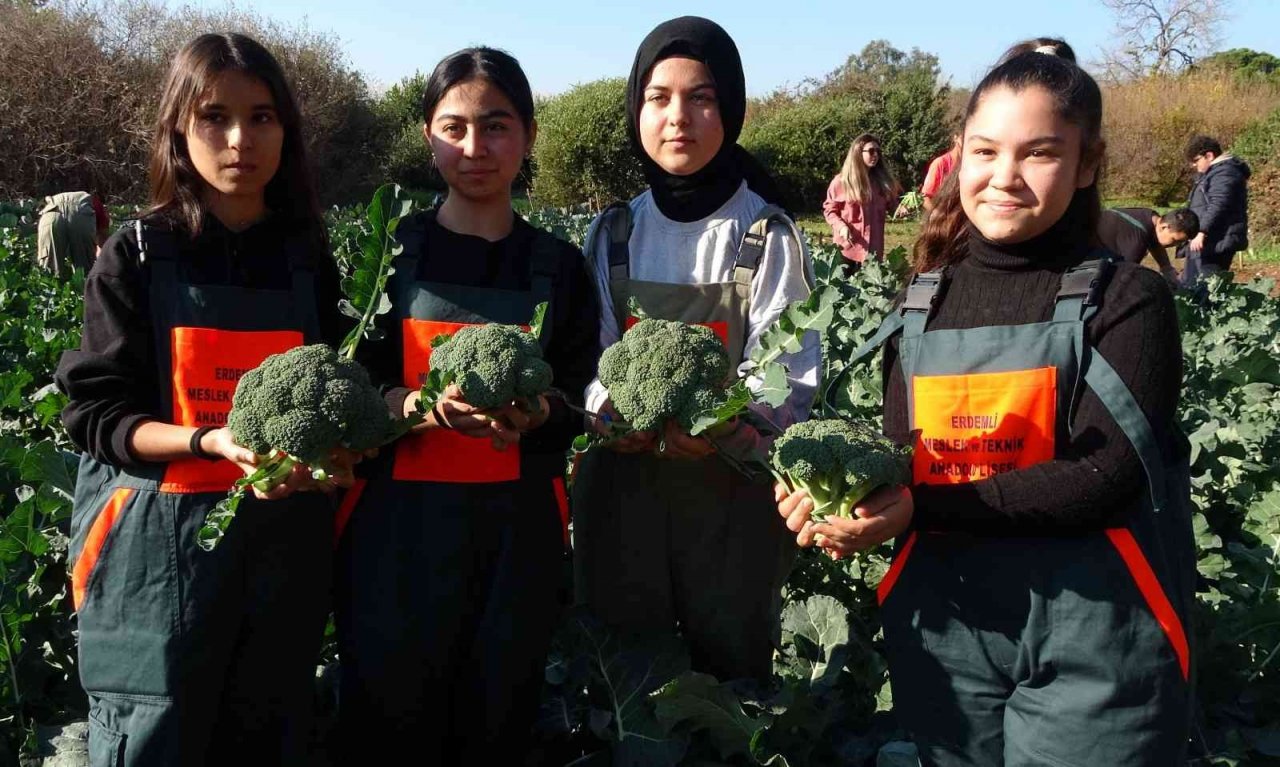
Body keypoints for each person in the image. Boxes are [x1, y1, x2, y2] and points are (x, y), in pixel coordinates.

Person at [778, 50, 1194, 765]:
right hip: (947, 629)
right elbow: (901, 458)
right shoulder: (921, 302)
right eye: (986, 150)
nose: (1004, 176)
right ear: (958, 156)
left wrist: (919, 507)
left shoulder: (1128, 299)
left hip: (1094, 636)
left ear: (1087, 164)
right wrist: (840, 501)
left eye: (1039, 154)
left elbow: (1103, 476)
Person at [55, 33, 353, 766]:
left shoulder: (307, 257)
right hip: (157, 565)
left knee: (269, 731)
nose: (238, 139)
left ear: (286, 129)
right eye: (213, 116)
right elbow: (95, 413)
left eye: (261, 117)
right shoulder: (138, 252)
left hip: (282, 557)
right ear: (179, 130)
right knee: (154, 739)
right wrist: (207, 441)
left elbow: (340, 389)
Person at [332, 47, 600, 763]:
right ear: (428, 135)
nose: (474, 149)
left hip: (519, 540)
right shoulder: (393, 252)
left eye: (496, 126)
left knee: (498, 719)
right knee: (388, 721)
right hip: (394, 539)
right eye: (453, 128)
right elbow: (351, 379)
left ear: (529, 136)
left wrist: (540, 411)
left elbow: (584, 398)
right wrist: (415, 405)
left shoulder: (558, 265)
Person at [572, 16, 819, 683]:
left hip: (731, 501)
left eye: (701, 97)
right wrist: (609, 413)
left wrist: (724, 424)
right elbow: (592, 357)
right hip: (625, 497)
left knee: (730, 684)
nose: (678, 116)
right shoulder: (616, 231)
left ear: (729, 108)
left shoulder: (766, 232)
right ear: (637, 108)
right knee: (626, 682)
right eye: (659, 97)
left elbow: (789, 372)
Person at [1179, 134, 1252, 288]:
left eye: (1195, 160)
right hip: (1207, 241)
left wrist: (1201, 231)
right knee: (1190, 288)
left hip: (1216, 242)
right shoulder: (1214, 173)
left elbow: (1218, 204)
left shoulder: (1225, 173)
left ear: (1209, 155)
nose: (1193, 165)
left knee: (1204, 291)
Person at [824, 133, 899, 268]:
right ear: (858, 153)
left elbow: (893, 207)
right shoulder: (841, 182)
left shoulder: (882, 183)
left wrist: (902, 209)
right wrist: (841, 227)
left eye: (878, 151)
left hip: (873, 251)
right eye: (871, 151)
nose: (875, 155)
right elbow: (830, 211)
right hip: (848, 249)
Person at [1098, 206, 1198, 283]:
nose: (1175, 245)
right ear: (1164, 227)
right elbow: (1122, 279)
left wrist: (1166, 268)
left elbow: (1154, 241)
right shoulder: (1136, 243)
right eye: (1174, 240)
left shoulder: (1148, 216)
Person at [36, 190, 109, 278]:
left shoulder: (55, 197)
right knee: (85, 272)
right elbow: (104, 244)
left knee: (50, 270)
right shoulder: (94, 202)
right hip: (81, 213)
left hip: (51, 212)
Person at [920, 135, 960, 215]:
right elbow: (925, 198)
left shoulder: (971, 165)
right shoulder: (940, 163)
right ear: (955, 137)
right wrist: (939, 215)